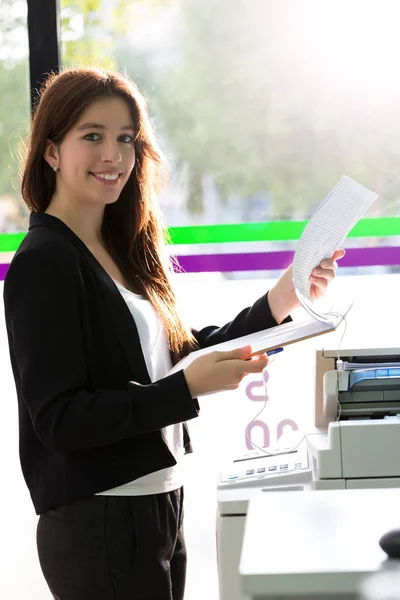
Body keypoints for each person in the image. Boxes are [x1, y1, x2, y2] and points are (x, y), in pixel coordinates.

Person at [3, 67, 344, 600]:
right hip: (100, 520)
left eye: (125, 139)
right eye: (92, 136)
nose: (113, 155)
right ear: (51, 151)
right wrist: (184, 391)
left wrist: (285, 298)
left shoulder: (119, 251)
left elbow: (175, 354)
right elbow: (61, 420)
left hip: (158, 500)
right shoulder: (44, 262)